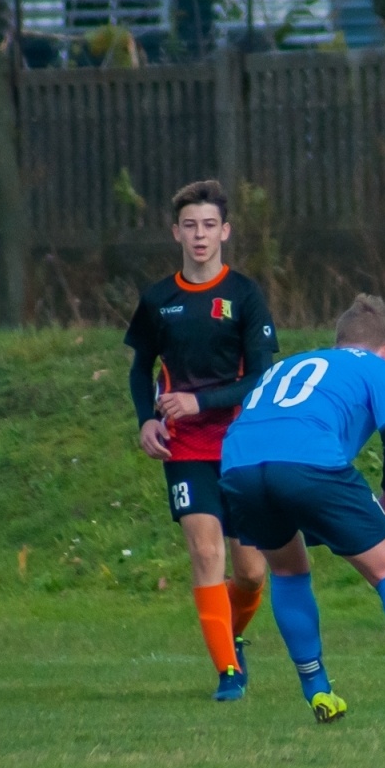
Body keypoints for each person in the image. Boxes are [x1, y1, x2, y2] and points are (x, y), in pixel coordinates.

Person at [219, 294, 385, 725]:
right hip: (306, 459)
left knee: (288, 570)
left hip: (238, 465)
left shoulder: (286, 365)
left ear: (337, 341)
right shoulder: (378, 367)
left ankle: (318, 691)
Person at [125, 180, 278, 701]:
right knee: (205, 553)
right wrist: (148, 418)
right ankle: (228, 673)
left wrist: (199, 402)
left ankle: (228, 635)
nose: (199, 235)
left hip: (241, 444)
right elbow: (140, 367)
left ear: (225, 232)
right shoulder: (158, 300)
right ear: (176, 232)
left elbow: (260, 378)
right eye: (190, 225)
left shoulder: (244, 296)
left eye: (209, 225)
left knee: (252, 572)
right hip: (185, 448)